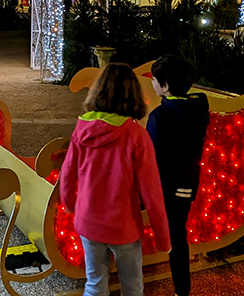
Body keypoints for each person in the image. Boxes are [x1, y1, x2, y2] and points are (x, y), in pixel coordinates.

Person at [60, 63, 171, 296]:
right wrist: (163, 237)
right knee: (132, 286)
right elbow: (152, 191)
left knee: (95, 283)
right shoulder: (137, 136)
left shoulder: (83, 128)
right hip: (124, 226)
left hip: (88, 221)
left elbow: (68, 172)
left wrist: (70, 204)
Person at [146, 55, 210, 296]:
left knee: (172, 235)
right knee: (178, 234)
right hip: (188, 180)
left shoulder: (160, 117)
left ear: (165, 86)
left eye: (154, 80)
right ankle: (182, 290)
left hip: (165, 183)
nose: (152, 84)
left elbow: (152, 155)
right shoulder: (198, 108)